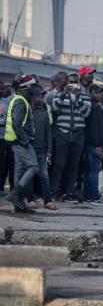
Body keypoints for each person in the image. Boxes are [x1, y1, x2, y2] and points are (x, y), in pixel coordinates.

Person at [51, 73, 91, 202]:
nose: (72, 84)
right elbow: (55, 107)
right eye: (70, 82)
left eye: (75, 81)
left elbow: (86, 113)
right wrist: (64, 93)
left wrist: (78, 97)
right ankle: (53, 191)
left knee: (73, 165)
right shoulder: (59, 94)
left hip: (78, 134)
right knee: (59, 164)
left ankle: (69, 192)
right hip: (63, 133)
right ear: (66, 83)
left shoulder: (84, 96)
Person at [4, 75, 39, 211]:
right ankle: (15, 194)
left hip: (15, 141)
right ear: (27, 88)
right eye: (34, 86)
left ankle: (17, 201)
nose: (35, 89)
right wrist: (24, 140)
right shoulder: (20, 102)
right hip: (19, 141)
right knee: (34, 167)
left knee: (19, 170)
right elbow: (16, 125)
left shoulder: (21, 99)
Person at [25, 87, 55, 210]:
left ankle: (47, 201)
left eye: (42, 97)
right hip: (29, 148)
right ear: (33, 98)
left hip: (42, 150)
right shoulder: (26, 111)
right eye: (40, 96)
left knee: (44, 175)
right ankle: (30, 200)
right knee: (30, 175)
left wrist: (49, 151)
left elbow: (48, 133)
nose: (42, 99)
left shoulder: (44, 113)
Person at [83, 84, 103, 205]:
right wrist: (97, 145)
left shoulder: (98, 108)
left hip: (93, 144)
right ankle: (94, 196)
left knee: (89, 171)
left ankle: (88, 196)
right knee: (93, 171)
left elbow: (102, 124)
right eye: (97, 93)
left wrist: (102, 110)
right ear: (91, 93)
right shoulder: (90, 107)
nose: (100, 95)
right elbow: (92, 129)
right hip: (93, 145)